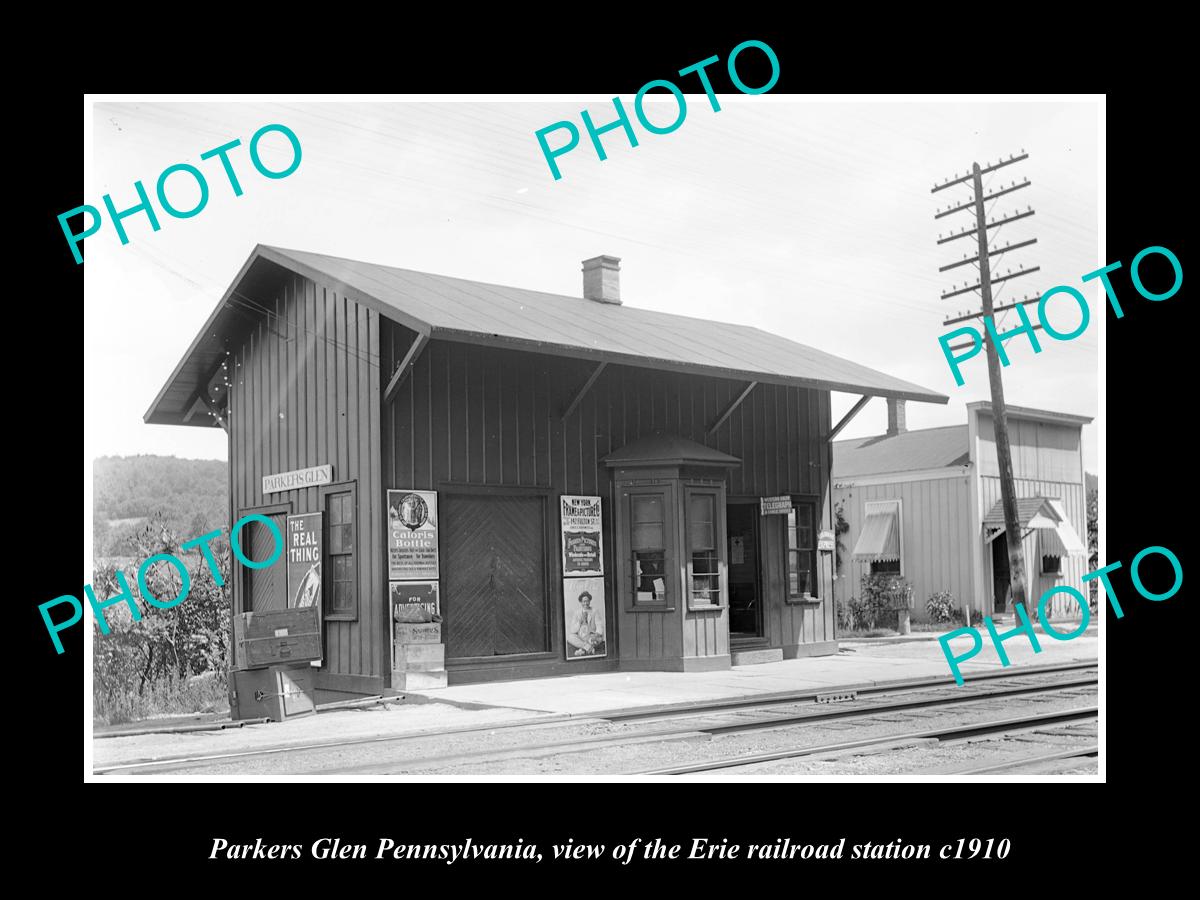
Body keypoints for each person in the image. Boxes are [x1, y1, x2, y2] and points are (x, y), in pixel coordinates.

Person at [566, 590, 605, 657]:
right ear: (581, 602)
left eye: (587, 601)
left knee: (598, 639)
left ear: (590, 601)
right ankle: (588, 647)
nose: (586, 603)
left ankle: (582, 650)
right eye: (584, 601)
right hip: (581, 637)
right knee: (570, 637)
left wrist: (596, 634)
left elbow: (599, 625)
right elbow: (572, 630)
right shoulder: (577, 613)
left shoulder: (595, 611)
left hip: (592, 636)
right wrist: (579, 622)